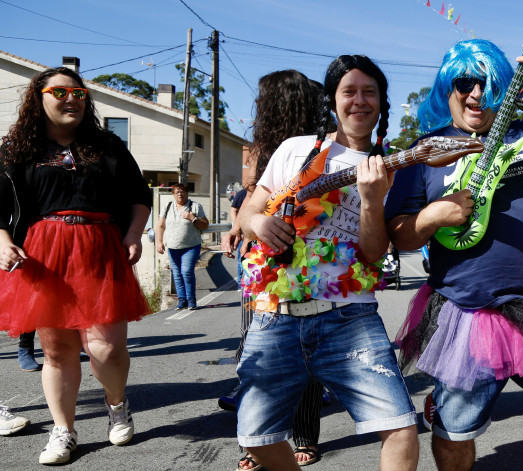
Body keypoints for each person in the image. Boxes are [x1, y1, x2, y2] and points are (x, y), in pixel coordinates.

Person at [385, 38, 523, 470]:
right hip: (464, 316)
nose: (477, 94)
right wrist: (432, 217)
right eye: (466, 82)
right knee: (454, 434)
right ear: (448, 87)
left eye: (490, 84)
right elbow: (399, 235)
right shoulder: (425, 151)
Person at [236, 55, 418, 471]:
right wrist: (259, 223)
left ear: (382, 102)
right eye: (349, 91)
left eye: (369, 92)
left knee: (400, 427)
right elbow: (248, 213)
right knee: (256, 437)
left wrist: (372, 199)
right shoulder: (295, 149)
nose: (359, 101)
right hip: (275, 316)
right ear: (333, 101)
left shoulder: (393, 168)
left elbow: (374, 254)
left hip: (350, 317)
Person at [0, 66, 152, 465]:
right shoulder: (17, 149)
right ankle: (63, 430)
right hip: (44, 256)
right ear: (39, 98)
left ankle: (116, 403)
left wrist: (134, 234)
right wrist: (2, 243)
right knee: (57, 350)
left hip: (100, 250)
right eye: (60, 92)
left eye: (79, 94)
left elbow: (139, 196)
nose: (71, 99)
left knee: (108, 349)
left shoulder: (108, 146)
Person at [218, 69, 332, 470]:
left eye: (265, 99)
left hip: (309, 255)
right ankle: (258, 440)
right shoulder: (265, 144)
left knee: (305, 344)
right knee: (257, 347)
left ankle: (303, 434)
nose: (257, 107)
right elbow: (254, 193)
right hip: (260, 255)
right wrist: (237, 226)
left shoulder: (321, 141)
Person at [154, 183, 208, 310]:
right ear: (173, 194)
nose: (180, 194)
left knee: (186, 271)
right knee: (177, 274)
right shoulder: (167, 207)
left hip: (191, 246)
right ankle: (181, 300)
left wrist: (193, 218)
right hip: (173, 247)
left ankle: (191, 300)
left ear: (187, 193)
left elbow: (205, 225)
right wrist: (159, 241)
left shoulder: (195, 206)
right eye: (177, 192)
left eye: (182, 191)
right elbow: (161, 225)